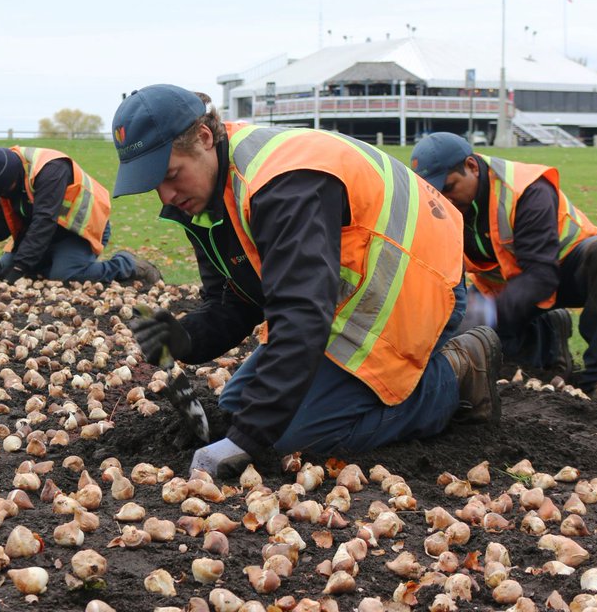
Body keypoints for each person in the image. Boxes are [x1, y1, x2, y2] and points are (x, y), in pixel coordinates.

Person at [111, 84, 502, 478]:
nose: (167, 194)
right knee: (235, 406)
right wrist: (185, 338)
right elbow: (238, 300)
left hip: (417, 282)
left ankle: (456, 372)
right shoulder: (209, 195)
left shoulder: (282, 184)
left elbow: (301, 316)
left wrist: (247, 440)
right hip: (345, 294)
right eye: (154, 183)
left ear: (205, 138)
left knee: (292, 441)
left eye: (172, 174)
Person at [409, 132, 597, 407]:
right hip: (504, 287)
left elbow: (541, 276)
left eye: (450, 187)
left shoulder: (526, 189)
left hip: (562, 272)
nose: (445, 200)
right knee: (463, 345)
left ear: (471, 166)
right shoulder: (442, 206)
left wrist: (488, 313)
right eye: (436, 192)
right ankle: (548, 332)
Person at [0, 146, 161, 285]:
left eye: (7, 190)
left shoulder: (50, 168)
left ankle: (129, 265)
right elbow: (3, 231)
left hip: (80, 230)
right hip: (39, 234)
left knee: (66, 275)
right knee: (4, 269)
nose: (3, 195)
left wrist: (21, 268)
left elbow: (44, 221)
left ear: (15, 175)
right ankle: (49, 265)